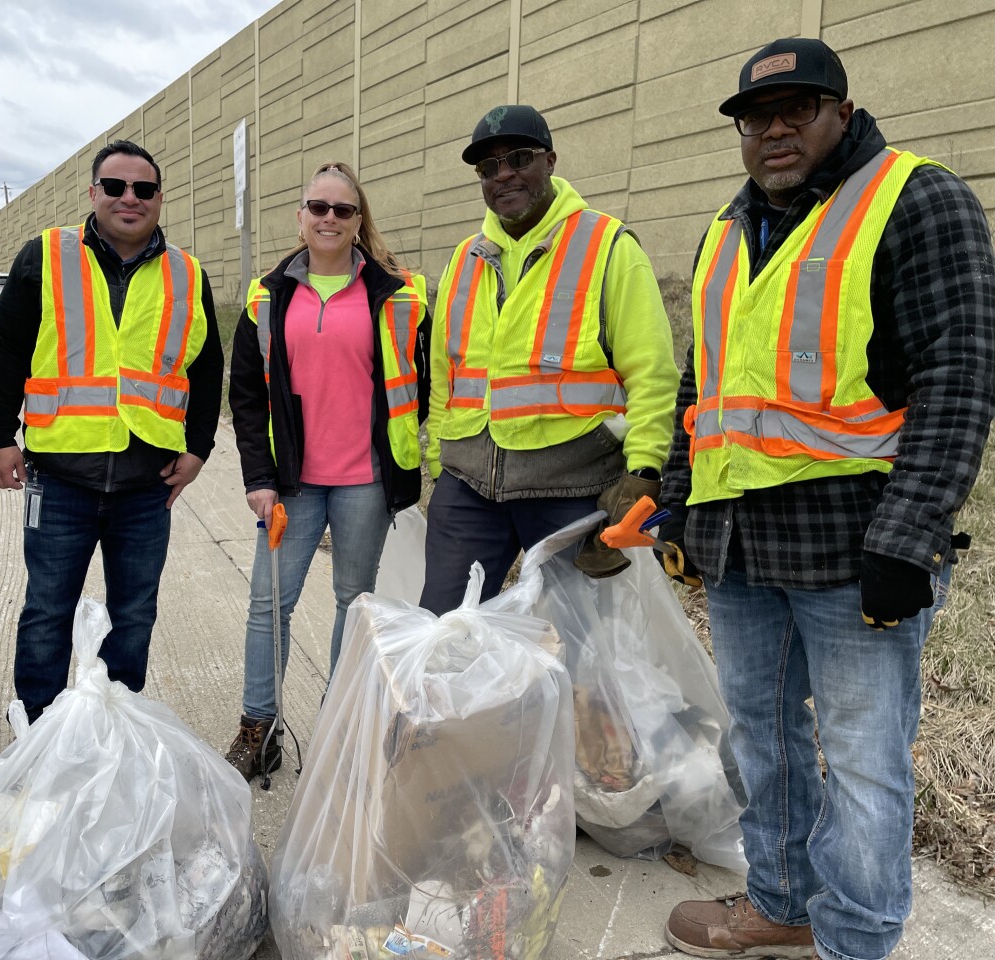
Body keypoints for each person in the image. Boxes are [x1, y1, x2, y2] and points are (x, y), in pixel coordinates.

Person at [659, 39, 995, 960]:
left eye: (796, 110)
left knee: (862, 766)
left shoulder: (915, 199)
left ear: (841, 113)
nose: (773, 131)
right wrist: (682, 507)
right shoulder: (729, 230)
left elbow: (959, 378)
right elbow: (705, 386)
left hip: (854, 552)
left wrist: (908, 535)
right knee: (760, 751)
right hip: (739, 554)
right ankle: (783, 903)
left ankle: (855, 940)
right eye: (755, 117)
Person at [0, 140, 223, 722]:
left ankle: (118, 724)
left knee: (134, 613)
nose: (128, 198)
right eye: (114, 186)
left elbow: (207, 366)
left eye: (143, 189)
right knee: (47, 610)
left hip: (146, 484)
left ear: (160, 198)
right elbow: (7, 348)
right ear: (93, 194)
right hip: (60, 477)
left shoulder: (187, 273)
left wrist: (198, 448)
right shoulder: (46, 255)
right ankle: (36, 725)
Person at [419, 104, 680, 613]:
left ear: (551, 161)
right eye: (488, 167)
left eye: (519, 158)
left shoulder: (608, 246)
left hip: (575, 489)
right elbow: (444, 375)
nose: (504, 175)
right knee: (440, 635)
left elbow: (651, 373)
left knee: (594, 657)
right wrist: (439, 466)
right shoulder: (463, 259)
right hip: (469, 490)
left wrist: (644, 471)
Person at [224, 161, 430, 780]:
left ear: (359, 219)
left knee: (353, 602)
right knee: (269, 604)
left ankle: (340, 725)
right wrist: (258, 478)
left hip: (365, 480)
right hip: (292, 483)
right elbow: (245, 395)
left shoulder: (397, 296)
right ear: (301, 217)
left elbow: (421, 385)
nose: (329, 219)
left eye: (342, 210)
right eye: (319, 207)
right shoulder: (269, 295)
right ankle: (258, 728)